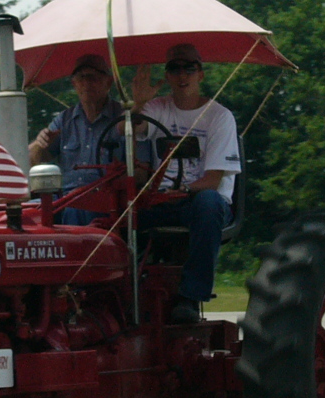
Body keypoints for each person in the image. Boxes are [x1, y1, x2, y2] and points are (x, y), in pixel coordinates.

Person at [131, 43, 241, 324]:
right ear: (167, 76)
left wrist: (184, 190)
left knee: (209, 203)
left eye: (189, 68)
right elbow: (128, 129)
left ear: (200, 74)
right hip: (161, 199)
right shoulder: (157, 108)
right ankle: (127, 293)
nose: (183, 75)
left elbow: (213, 180)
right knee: (120, 211)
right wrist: (138, 104)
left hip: (201, 200)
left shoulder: (220, 117)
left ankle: (191, 297)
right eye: (174, 68)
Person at [29, 53, 125, 225]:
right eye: (81, 78)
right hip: (64, 197)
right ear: (74, 84)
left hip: (107, 200)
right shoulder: (64, 120)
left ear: (108, 83)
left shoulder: (123, 119)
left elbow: (140, 173)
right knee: (28, 213)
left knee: (76, 210)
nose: (86, 83)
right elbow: (34, 161)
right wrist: (39, 144)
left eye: (93, 77)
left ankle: (77, 252)